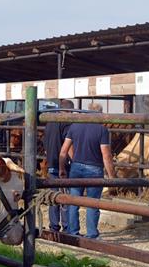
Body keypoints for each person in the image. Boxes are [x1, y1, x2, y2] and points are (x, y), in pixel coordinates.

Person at [58, 103, 115, 239]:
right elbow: (106, 155)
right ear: (99, 114)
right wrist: (112, 176)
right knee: (92, 202)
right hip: (94, 169)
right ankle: (92, 234)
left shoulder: (74, 126)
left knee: (74, 201)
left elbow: (64, 150)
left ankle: (73, 232)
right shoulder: (102, 130)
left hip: (76, 167)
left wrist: (62, 168)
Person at [44, 99, 74, 232]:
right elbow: (69, 145)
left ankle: (54, 226)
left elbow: (44, 142)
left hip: (51, 161)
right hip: (63, 164)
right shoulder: (66, 122)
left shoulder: (49, 122)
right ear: (69, 111)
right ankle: (66, 227)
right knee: (64, 195)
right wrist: (73, 161)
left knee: (53, 196)